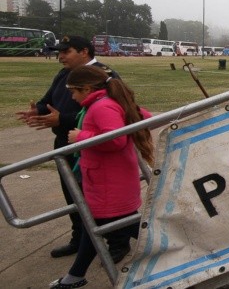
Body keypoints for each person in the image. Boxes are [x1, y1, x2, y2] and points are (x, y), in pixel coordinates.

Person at [14, 35, 126, 261]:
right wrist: (39, 110)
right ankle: (80, 238)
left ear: (84, 51)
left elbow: (107, 114)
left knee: (101, 196)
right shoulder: (65, 74)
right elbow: (48, 101)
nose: (61, 56)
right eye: (59, 52)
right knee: (73, 195)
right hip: (65, 143)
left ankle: (117, 243)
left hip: (91, 145)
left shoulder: (104, 75)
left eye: (66, 51)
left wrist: (62, 120)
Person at [49, 65, 154, 289]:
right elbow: (141, 116)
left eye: (73, 91)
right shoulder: (108, 102)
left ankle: (184, 249)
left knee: (127, 227)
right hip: (108, 181)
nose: (72, 97)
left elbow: (115, 140)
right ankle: (75, 276)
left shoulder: (102, 107)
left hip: (109, 183)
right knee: (97, 227)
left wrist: (81, 136)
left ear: (86, 89)